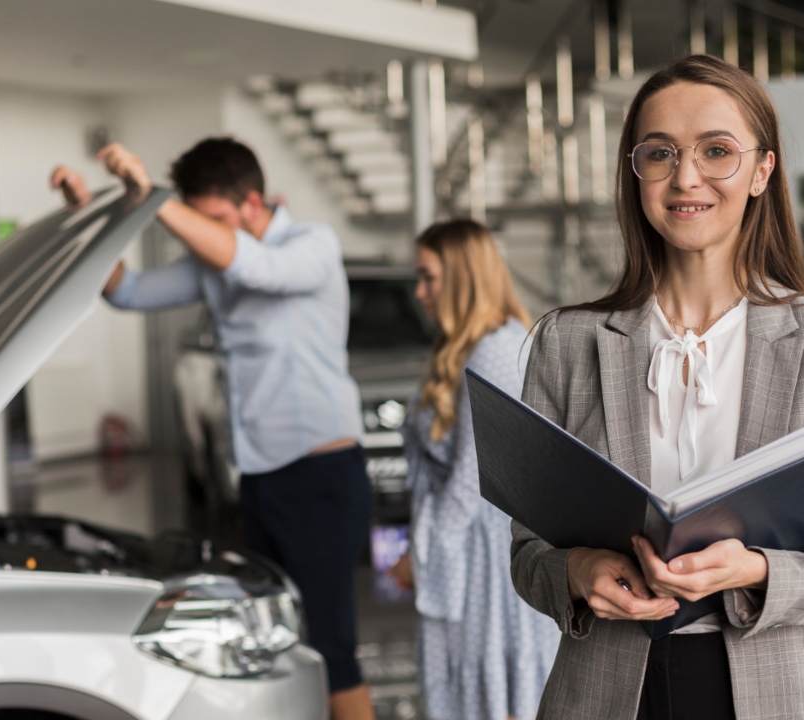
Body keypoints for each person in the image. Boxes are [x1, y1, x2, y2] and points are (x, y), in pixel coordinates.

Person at [508, 54, 804, 720]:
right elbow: (528, 554)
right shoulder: (566, 342)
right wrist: (576, 575)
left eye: (716, 151)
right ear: (635, 173)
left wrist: (755, 570)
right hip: (605, 694)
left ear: (762, 171)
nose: (685, 177)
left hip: (782, 693)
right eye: (659, 153)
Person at [52, 137, 375, 720]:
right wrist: (87, 217)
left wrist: (150, 197)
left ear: (252, 203)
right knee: (277, 642)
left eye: (215, 220)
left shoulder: (312, 245)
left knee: (330, 648)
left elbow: (255, 267)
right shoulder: (214, 263)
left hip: (322, 477)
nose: (204, 234)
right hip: (258, 479)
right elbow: (128, 292)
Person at [388, 219, 561, 720]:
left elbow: (473, 480)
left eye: (429, 277)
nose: (419, 292)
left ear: (463, 276)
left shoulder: (493, 351)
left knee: (497, 700)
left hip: (485, 561)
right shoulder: (472, 345)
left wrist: (418, 557)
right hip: (470, 555)